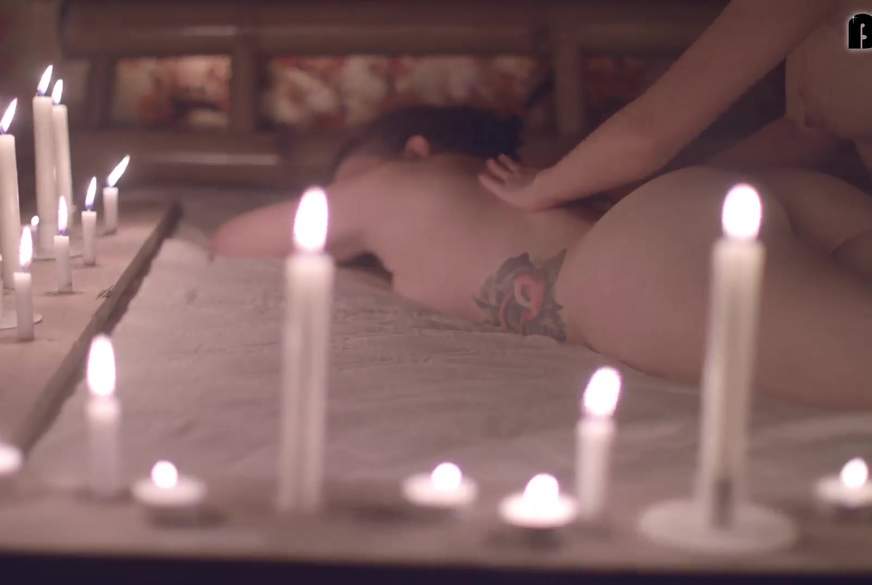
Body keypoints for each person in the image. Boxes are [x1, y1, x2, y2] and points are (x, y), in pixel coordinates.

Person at [211, 105, 872, 409]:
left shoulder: (385, 187)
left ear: (413, 150)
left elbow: (232, 240)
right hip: (729, 198)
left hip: (634, 266)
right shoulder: (550, 180)